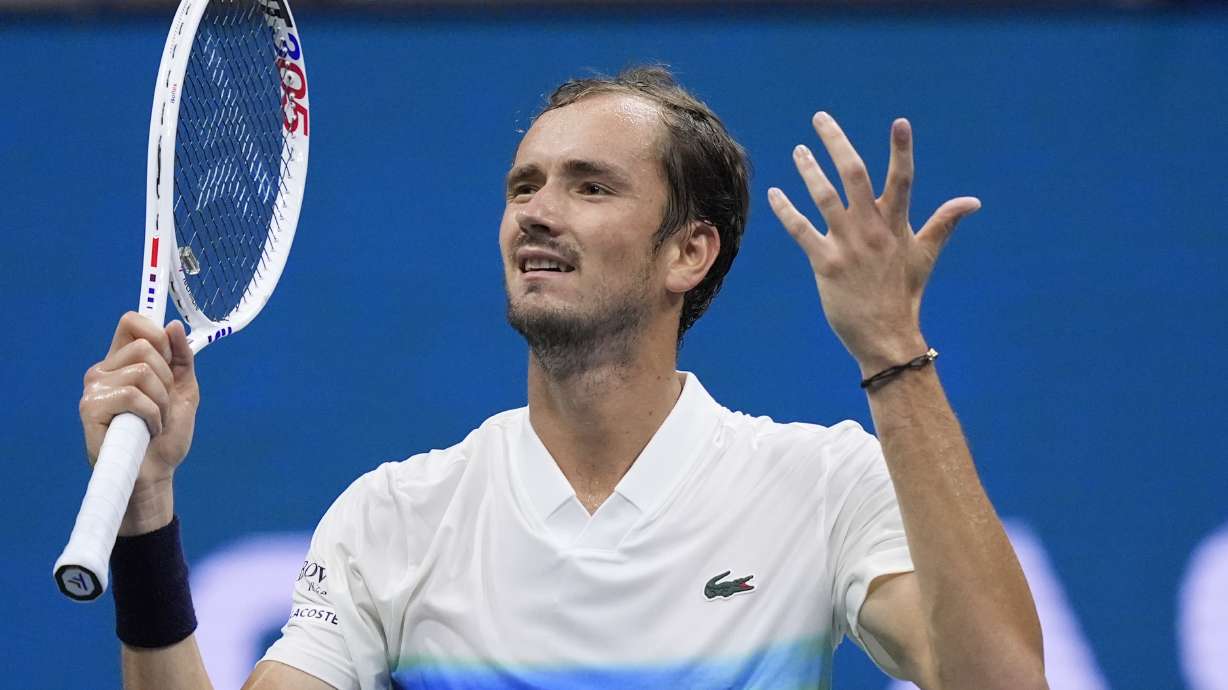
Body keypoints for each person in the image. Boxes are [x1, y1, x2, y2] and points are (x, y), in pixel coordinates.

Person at [78, 66, 1047, 690]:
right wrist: (145, 514)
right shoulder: (396, 518)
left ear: (689, 252)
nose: (537, 212)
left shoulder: (820, 486)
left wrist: (891, 353)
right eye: (524, 186)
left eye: (590, 186)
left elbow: (998, 680)